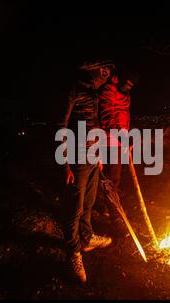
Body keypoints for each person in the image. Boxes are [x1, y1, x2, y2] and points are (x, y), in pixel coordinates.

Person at [60, 60, 115, 284]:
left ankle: (86, 237)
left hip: (93, 156)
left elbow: (96, 123)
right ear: (92, 70)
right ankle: (73, 253)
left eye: (109, 73)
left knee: (90, 201)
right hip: (77, 155)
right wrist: (65, 164)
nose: (107, 76)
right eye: (104, 72)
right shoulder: (73, 89)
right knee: (76, 205)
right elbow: (61, 126)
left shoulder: (94, 93)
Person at [98, 70, 137, 236]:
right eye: (126, 83)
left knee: (115, 179)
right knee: (105, 179)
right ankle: (113, 214)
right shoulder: (108, 92)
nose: (128, 87)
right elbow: (105, 116)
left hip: (118, 142)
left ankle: (109, 208)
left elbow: (124, 119)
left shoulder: (126, 96)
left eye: (131, 86)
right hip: (104, 141)